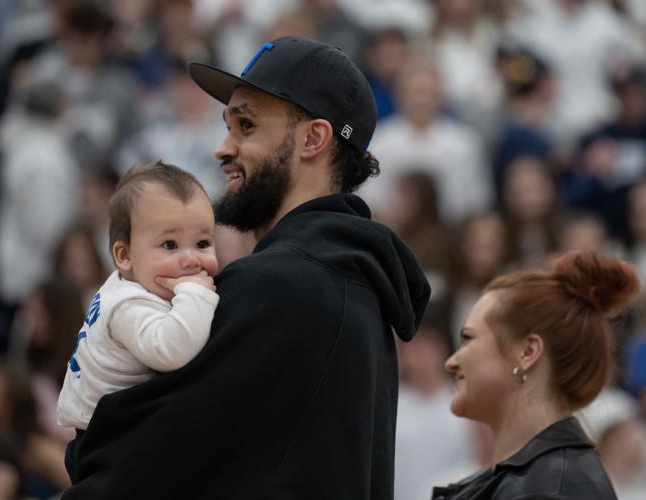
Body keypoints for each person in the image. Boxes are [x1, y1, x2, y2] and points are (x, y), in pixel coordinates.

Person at [62, 35, 430, 500]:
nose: (222, 148)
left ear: (313, 139)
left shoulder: (281, 284)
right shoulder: (351, 279)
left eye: (246, 126)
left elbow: (127, 466)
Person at [432, 251, 639, 499]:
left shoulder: (550, 489)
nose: (451, 362)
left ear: (528, 352)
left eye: (468, 339)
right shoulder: (541, 481)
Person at [56, 161, 219, 476]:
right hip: (107, 444)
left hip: (113, 431)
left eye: (202, 243)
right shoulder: (128, 304)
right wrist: (197, 295)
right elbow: (171, 349)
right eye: (169, 245)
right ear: (124, 256)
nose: (190, 259)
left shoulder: (133, 283)